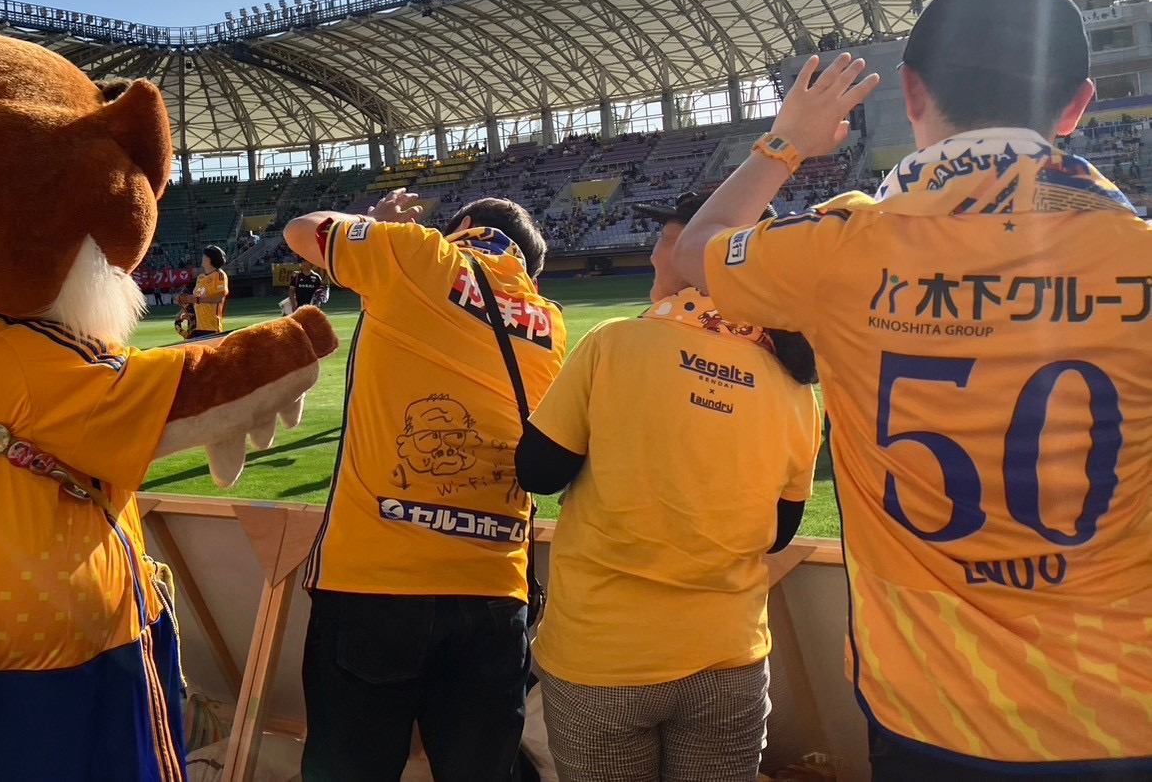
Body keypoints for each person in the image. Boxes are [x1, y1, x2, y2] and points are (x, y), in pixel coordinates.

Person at [673, 0, 1152, 779]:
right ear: (1075, 106)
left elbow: (694, 249)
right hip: (1122, 713)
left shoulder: (836, 249)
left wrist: (784, 142)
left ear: (911, 92)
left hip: (926, 711)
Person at [515, 192, 820, 782]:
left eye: (666, 239)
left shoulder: (614, 343)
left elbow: (538, 472)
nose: (656, 254)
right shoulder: (796, 391)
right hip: (728, 659)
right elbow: (779, 533)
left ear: (701, 255)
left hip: (602, 659)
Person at [283, 189, 568, 782]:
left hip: (375, 581)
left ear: (462, 227)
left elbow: (302, 229)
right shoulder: (550, 322)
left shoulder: (418, 252)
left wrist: (375, 224)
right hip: (495, 591)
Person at [177, 246, 228, 339]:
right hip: (195, 327)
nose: (202, 257)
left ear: (209, 259)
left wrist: (197, 299)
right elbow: (195, 299)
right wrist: (183, 312)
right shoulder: (200, 277)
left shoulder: (219, 275)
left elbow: (220, 298)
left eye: (204, 255)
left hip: (211, 327)